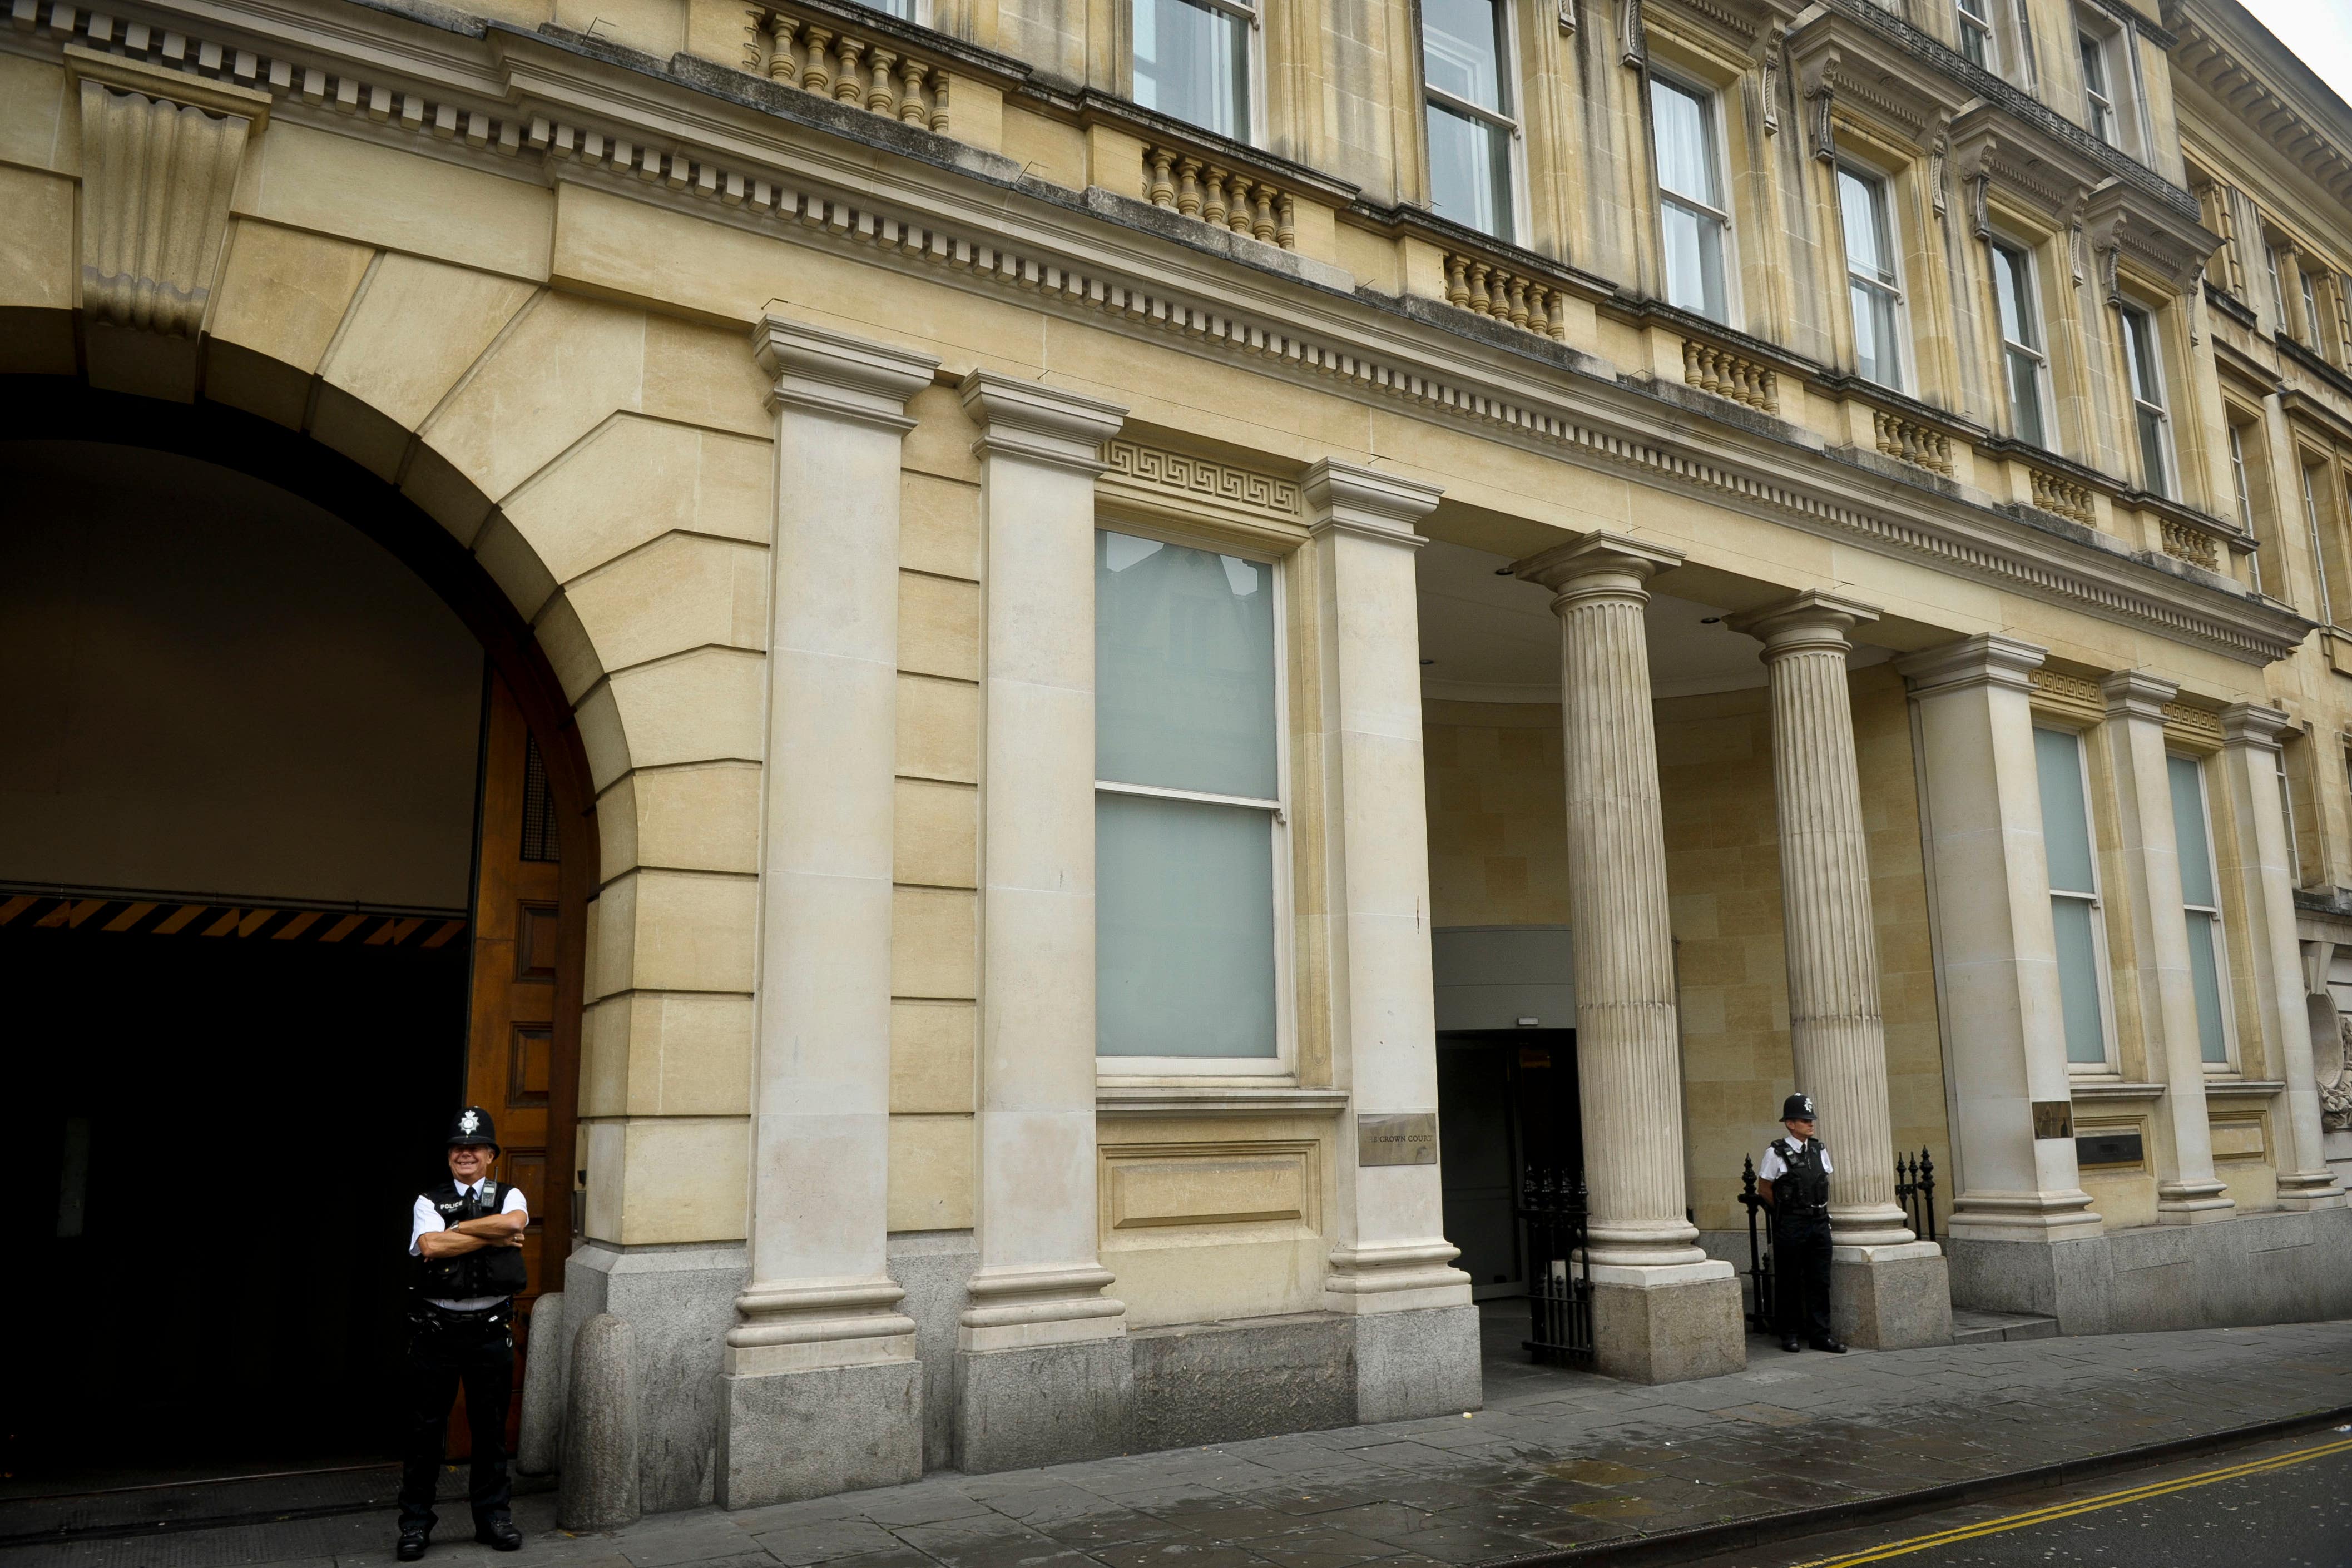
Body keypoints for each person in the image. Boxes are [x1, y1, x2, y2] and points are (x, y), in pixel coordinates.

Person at [398, 1106, 529, 1560]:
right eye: (458, 1147)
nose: (466, 1154)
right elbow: (431, 1245)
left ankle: (493, 1519)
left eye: (475, 1147)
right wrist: (487, 1234)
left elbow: (513, 1224)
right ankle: (415, 1524)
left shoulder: (511, 1195)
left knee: (490, 1430)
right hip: (437, 1331)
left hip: (490, 1329)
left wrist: (462, 1231)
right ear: (450, 1156)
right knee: (424, 1432)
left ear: (491, 1154)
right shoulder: (428, 1201)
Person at [1756, 1091, 1845, 1356]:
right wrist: (1787, 1213)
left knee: (1820, 1281)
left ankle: (1821, 1335)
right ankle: (1790, 1334)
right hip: (1793, 1224)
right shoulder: (1776, 1152)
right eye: (1804, 1120)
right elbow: (1765, 1188)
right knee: (1789, 1280)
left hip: (1818, 1222)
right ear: (1790, 1124)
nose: (1811, 1124)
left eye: (1811, 1119)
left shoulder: (1819, 1149)